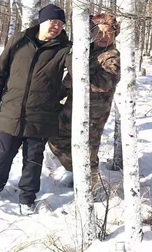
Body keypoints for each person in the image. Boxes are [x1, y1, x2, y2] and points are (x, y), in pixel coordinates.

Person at [0, 4, 71, 215]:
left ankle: (27, 199)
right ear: (41, 21)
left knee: (33, 158)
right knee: (3, 153)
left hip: (42, 114)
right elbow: (0, 72)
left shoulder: (64, 48)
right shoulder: (19, 39)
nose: (56, 26)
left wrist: (57, 93)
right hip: (12, 108)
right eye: (53, 21)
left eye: (60, 23)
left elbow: (76, 72)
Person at [48, 13, 121, 193]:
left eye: (108, 33)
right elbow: (68, 79)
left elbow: (103, 83)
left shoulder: (112, 57)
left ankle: (91, 191)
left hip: (94, 115)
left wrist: (76, 80)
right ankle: (78, 172)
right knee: (56, 138)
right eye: (99, 32)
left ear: (114, 34)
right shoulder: (86, 51)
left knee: (89, 154)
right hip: (72, 108)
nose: (104, 37)